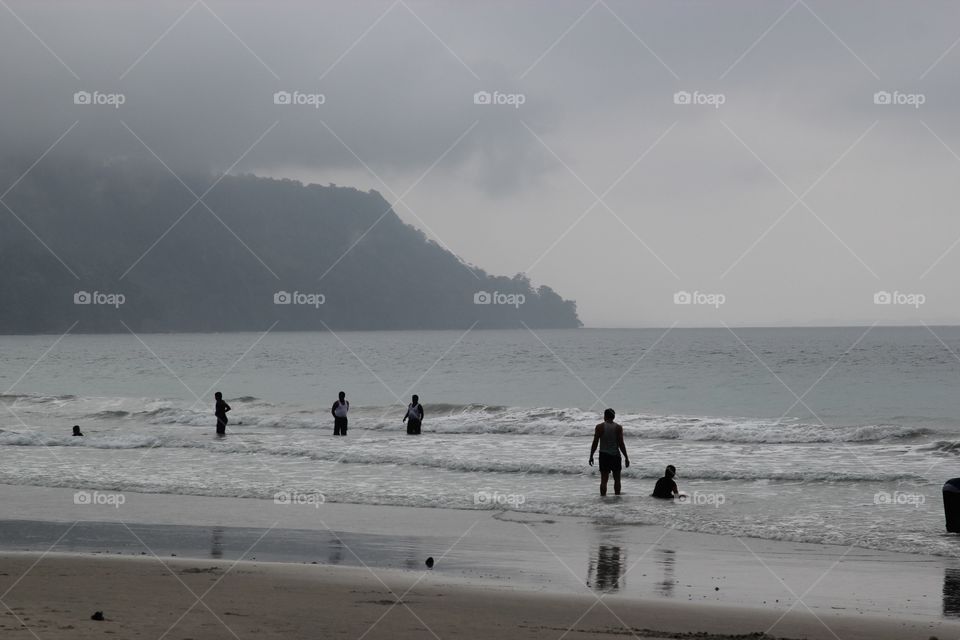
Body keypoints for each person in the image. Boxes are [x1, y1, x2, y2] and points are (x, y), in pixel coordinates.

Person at [588, 408, 629, 496]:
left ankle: (603, 498)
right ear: (614, 417)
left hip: (604, 455)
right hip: (615, 456)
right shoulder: (618, 427)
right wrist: (626, 457)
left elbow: (595, 443)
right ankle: (617, 498)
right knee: (617, 480)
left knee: (604, 480)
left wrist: (591, 456)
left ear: (605, 416)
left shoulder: (599, 427)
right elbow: (621, 444)